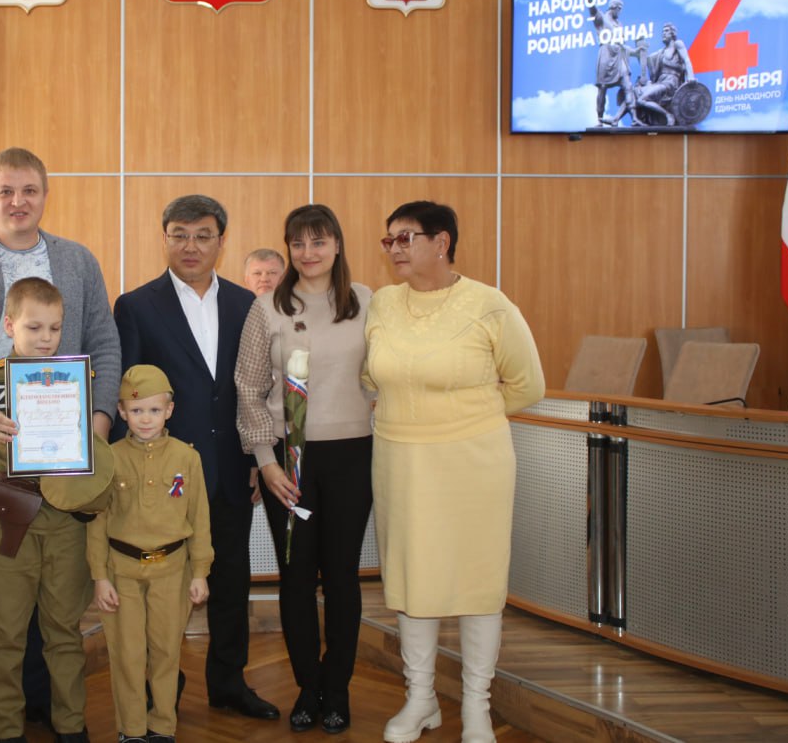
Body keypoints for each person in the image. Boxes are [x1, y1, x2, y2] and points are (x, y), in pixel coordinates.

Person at [0, 147, 121, 743]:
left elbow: (106, 345)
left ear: (44, 194)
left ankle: (53, 713)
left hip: (65, 463)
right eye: (6, 190)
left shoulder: (77, 262)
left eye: (29, 190)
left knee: (59, 618)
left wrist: (99, 418)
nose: (18, 201)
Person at [365, 201, 544, 743]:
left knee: (476, 580)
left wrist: (466, 419)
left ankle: (476, 707)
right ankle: (420, 699)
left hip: (474, 462)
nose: (395, 249)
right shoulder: (382, 304)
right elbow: (371, 378)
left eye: (405, 238)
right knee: (411, 576)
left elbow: (527, 385)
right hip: (399, 458)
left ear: (441, 243)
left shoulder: (489, 305)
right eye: (389, 240)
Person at [113, 195, 279, 721]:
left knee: (231, 580)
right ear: (164, 237)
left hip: (231, 469)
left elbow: (253, 389)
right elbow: (129, 394)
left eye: (203, 235)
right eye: (179, 234)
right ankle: (164, 687)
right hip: (161, 477)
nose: (191, 245)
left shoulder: (245, 304)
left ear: (221, 241)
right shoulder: (136, 306)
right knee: (161, 590)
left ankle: (228, 683)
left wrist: (257, 456)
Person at [0, 277, 109, 743]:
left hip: (64, 527)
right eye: (35, 327)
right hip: (2, 524)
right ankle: (5, 731)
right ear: (10, 324)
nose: (46, 338)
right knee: (3, 639)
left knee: (64, 635)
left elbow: (95, 461)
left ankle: (72, 728)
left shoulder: (78, 381)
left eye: (55, 328)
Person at [234, 204, 373, 734]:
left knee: (341, 578)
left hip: (351, 456)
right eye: (298, 243)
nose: (308, 253)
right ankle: (307, 689)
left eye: (319, 242)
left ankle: (337, 690)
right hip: (288, 461)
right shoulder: (267, 306)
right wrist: (265, 462)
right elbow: (248, 388)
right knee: (296, 580)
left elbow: (381, 371)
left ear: (337, 245)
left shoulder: (366, 302)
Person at [89, 364, 213, 743]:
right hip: (122, 571)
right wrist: (100, 577)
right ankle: (132, 730)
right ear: (122, 411)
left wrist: (200, 572)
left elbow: (200, 518)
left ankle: (162, 726)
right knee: (127, 655)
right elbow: (97, 522)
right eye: (137, 410)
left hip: (172, 570)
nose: (146, 419)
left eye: (155, 411)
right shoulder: (110, 458)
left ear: (169, 411)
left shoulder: (187, 459)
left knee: (165, 653)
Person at [587, 0, 633, 125]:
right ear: (614, 7)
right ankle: (599, 119)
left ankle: (623, 118)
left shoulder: (619, 24)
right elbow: (591, 6)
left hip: (619, 57)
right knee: (602, 88)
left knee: (628, 86)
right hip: (606, 54)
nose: (620, 12)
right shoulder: (601, 18)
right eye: (619, 9)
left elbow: (623, 44)